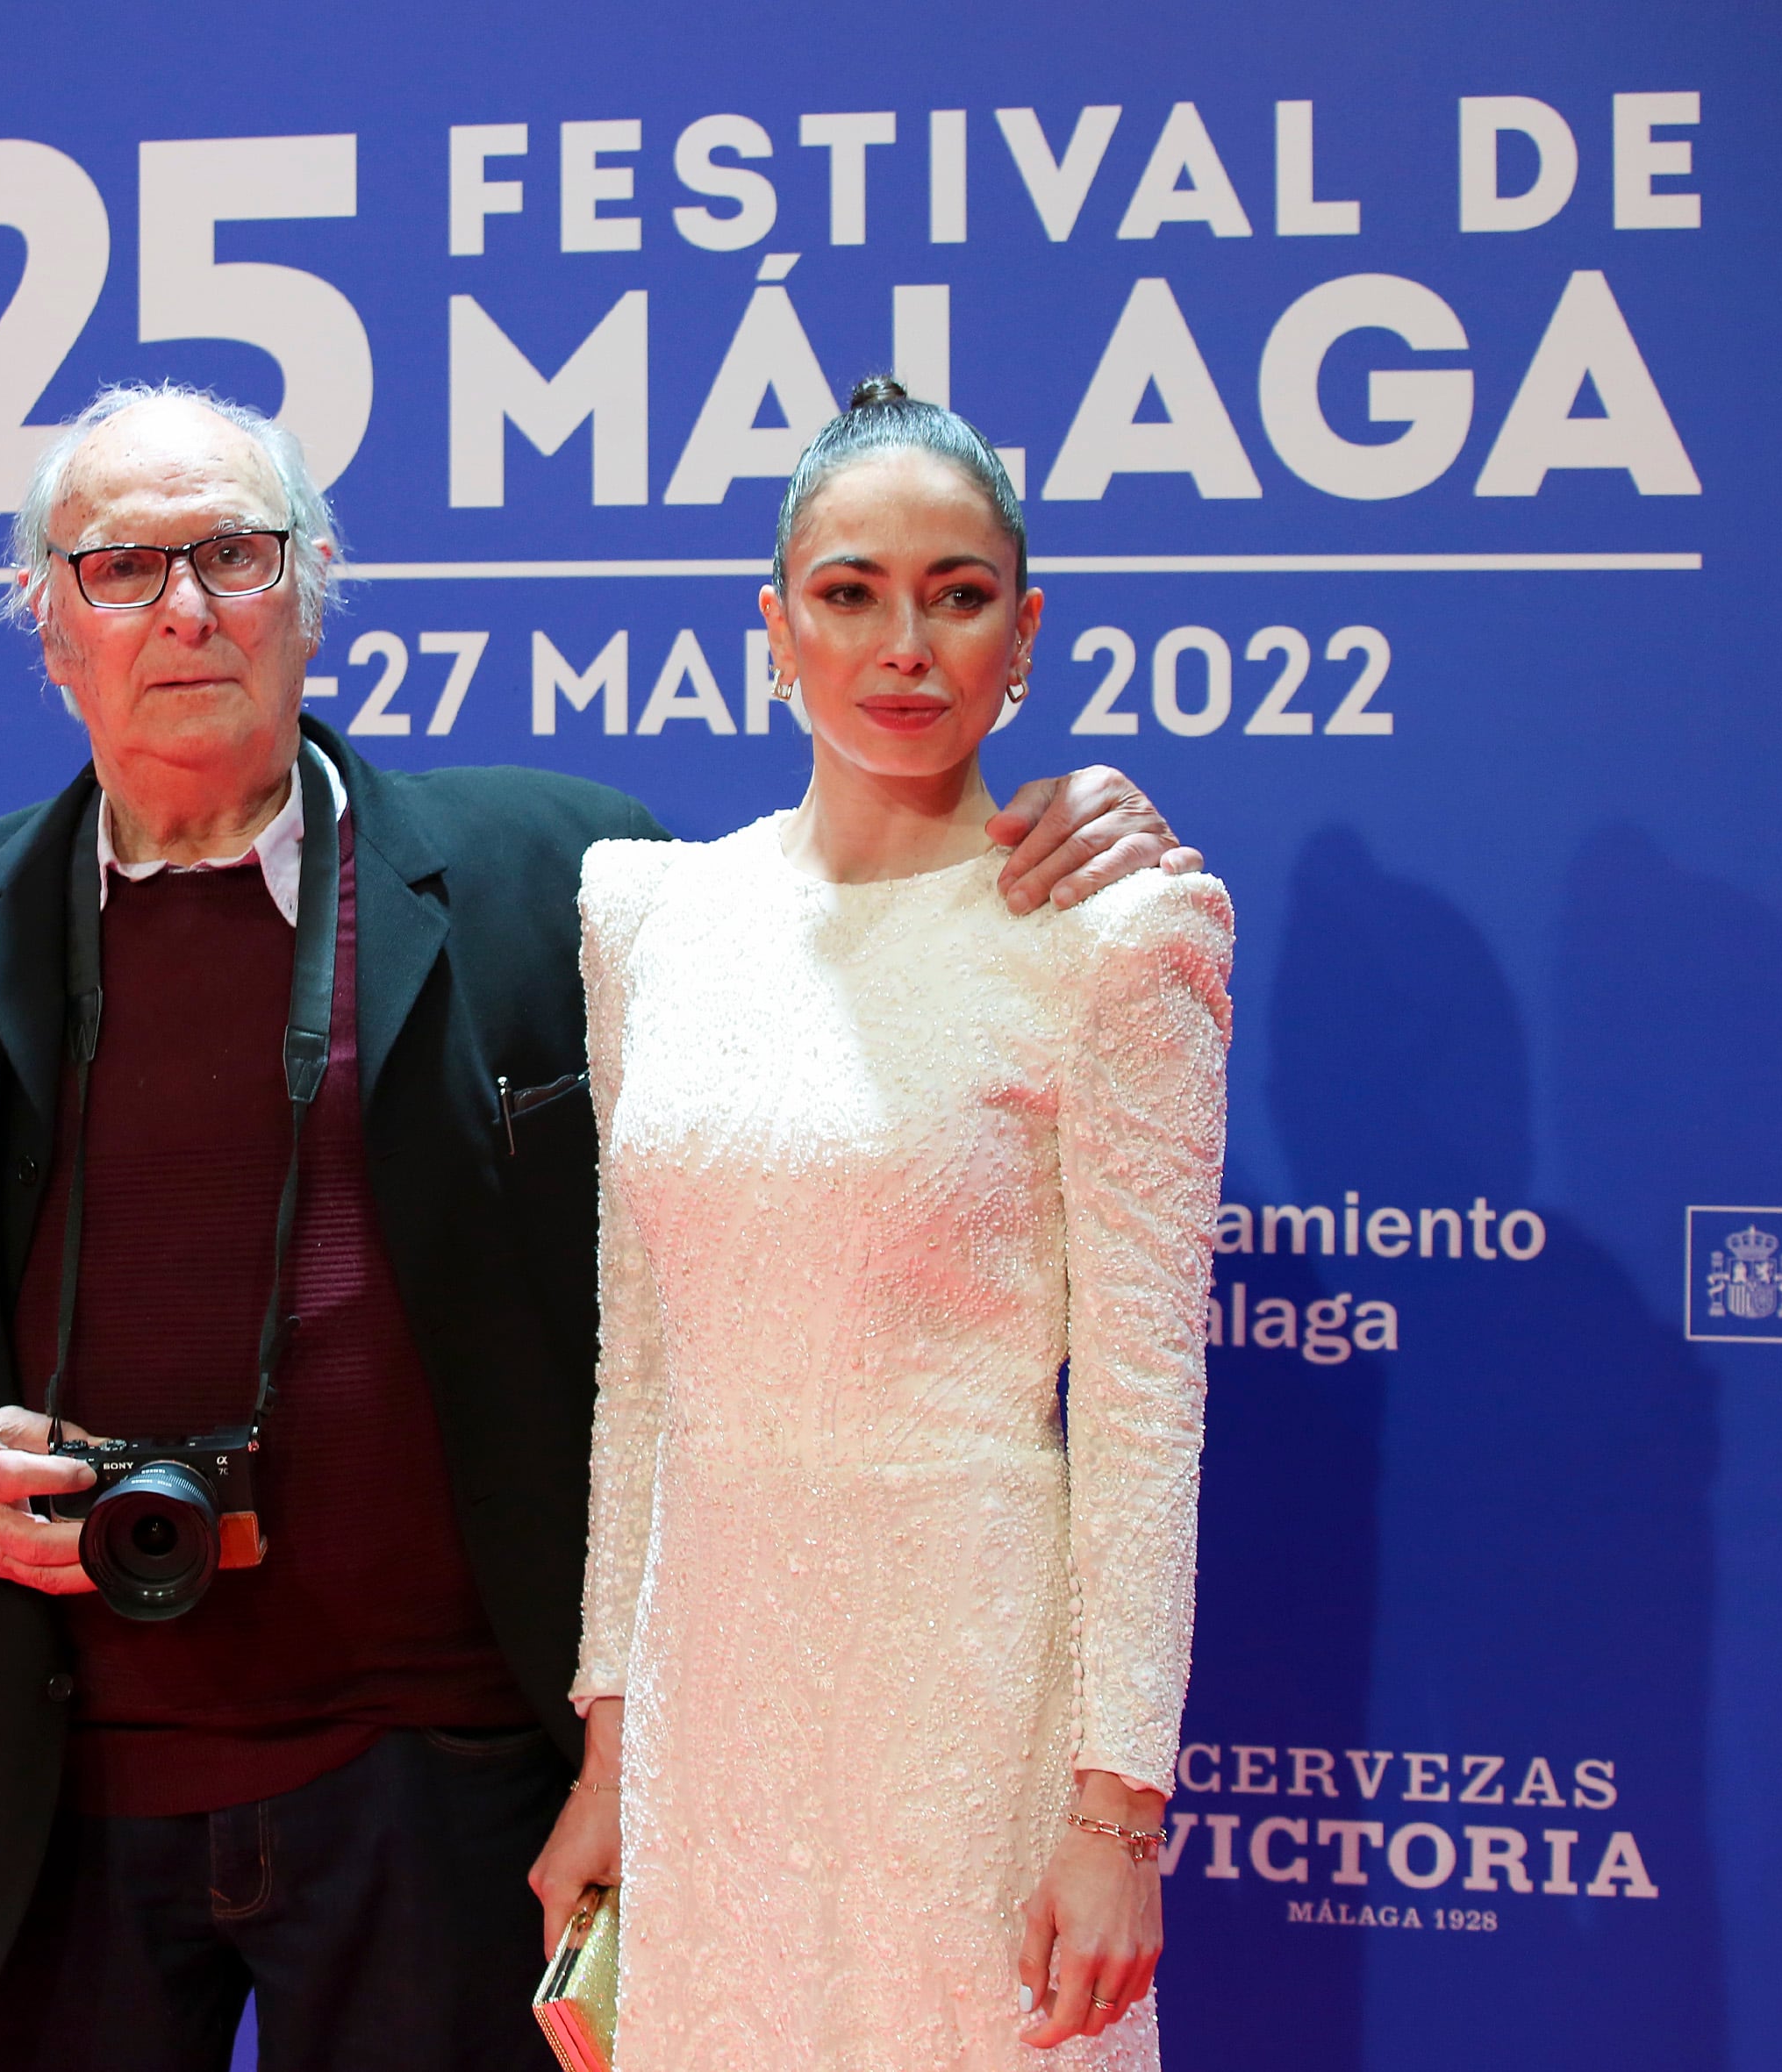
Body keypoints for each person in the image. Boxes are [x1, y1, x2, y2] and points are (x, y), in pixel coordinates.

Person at [0, 379, 1204, 2070]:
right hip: (53, 1793)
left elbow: (848, 945)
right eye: (123, 567)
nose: (188, 607)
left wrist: (1086, 836)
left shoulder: (560, 874)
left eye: (235, 551)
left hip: (441, 1791)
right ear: (48, 624)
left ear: (317, 584)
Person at [530, 378, 1229, 2070]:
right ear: (774, 627)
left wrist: (1119, 1812)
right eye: (850, 592)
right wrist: (611, 1753)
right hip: (715, 1703)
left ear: (1027, 628)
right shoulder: (653, 919)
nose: (904, 641)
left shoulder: (1116, 934)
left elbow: (1145, 1402)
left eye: (959, 590)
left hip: (972, 1693)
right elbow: (643, 1372)